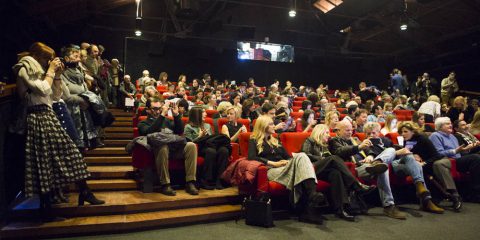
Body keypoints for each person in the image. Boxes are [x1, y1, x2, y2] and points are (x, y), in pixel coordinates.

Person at [13, 42, 104, 220]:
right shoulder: (24, 67)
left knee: (73, 155)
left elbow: (55, 96)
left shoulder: (43, 71)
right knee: (43, 164)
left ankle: (84, 191)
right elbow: (42, 89)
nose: (49, 62)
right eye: (47, 59)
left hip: (48, 115)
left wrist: (57, 76)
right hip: (37, 117)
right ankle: (46, 207)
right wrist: (51, 72)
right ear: (37, 56)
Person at [248, 116, 324, 224]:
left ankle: (308, 206)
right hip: (270, 170)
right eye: (270, 124)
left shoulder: (275, 140)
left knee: (301, 156)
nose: (274, 126)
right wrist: (273, 163)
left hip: (284, 168)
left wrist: (288, 162)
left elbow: (288, 156)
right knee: (301, 162)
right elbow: (251, 157)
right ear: (263, 126)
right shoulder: (254, 140)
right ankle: (310, 201)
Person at [328, 120, 408, 219]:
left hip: (368, 165)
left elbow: (368, 149)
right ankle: (388, 206)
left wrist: (370, 155)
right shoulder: (334, 141)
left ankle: (378, 162)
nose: (350, 132)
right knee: (383, 167)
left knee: (390, 151)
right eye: (347, 130)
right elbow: (340, 151)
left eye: (351, 130)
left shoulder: (355, 139)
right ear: (338, 131)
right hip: (353, 169)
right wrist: (359, 147)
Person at [362, 122, 444, 214]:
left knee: (411, 158)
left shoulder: (386, 140)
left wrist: (411, 155)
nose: (371, 135)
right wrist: (370, 156)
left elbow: (399, 154)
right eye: (368, 133)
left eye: (373, 133)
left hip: (397, 162)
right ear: (365, 134)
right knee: (398, 153)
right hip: (383, 164)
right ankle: (426, 200)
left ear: (378, 132)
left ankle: (424, 195)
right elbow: (369, 152)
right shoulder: (366, 143)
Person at [302, 124, 376, 221]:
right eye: (327, 133)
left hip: (323, 171)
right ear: (319, 132)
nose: (329, 135)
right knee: (334, 158)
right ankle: (356, 184)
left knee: (335, 173)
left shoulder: (326, 146)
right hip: (312, 168)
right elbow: (305, 154)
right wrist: (323, 159)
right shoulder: (310, 141)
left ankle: (340, 209)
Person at [138, 98, 199, 196]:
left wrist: (176, 115)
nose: (158, 111)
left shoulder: (166, 121)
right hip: (157, 152)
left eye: (160, 108)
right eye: (154, 109)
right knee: (163, 147)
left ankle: (190, 182)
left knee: (191, 146)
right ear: (148, 110)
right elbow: (150, 131)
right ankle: (165, 184)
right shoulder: (143, 123)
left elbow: (179, 130)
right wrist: (162, 115)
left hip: (174, 149)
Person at [398, 122, 462, 211]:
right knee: (419, 170)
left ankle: (454, 195)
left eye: (405, 131)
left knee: (435, 166)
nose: (403, 134)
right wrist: (413, 156)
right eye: (401, 132)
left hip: (435, 160)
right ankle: (429, 200)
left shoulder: (423, 139)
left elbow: (436, 155)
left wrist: (424, 162)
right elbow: (408, 153)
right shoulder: (407, 140)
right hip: (423, 164)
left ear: (413, 131)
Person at [429, 117, 480, 203]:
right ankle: (475, 193)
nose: (450, 125)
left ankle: (473, 192)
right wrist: (455, 151)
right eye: (447, 124)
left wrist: (466, 150)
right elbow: (438, 154)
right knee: (476, 158)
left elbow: (459, 153)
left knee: (476, 157)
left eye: (450, 123)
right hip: (447, 160)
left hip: (457, 159)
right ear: (440, 126)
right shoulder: (435, 136)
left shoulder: (452, 136)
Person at [184, 107, 229, 190]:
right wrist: (199, 136)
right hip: (199, 148)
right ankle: (206, 180)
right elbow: (189, 143)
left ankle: (220, 180)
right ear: (197, 115)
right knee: (211, 151)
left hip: (210, 145)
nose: (206, 114)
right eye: (203, 112)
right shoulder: (188, 127)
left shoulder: (207, 125)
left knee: (224, 151)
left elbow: (211, 139)